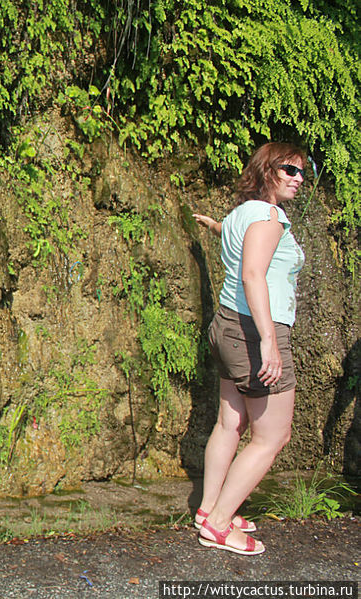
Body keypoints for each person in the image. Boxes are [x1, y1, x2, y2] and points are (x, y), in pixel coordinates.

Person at [192, 142, 306, 555]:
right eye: (290, 169)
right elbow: (253, 275)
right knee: (272, 436)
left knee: (230, 424)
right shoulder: (270, 217)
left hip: (227, 326)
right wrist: (270, 342)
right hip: (254, 333)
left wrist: (213, 226)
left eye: (302, 172)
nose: (298, 178)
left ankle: (208, 509)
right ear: (267, 170)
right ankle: (219, 525)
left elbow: (235, 240)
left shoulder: (243, 213)